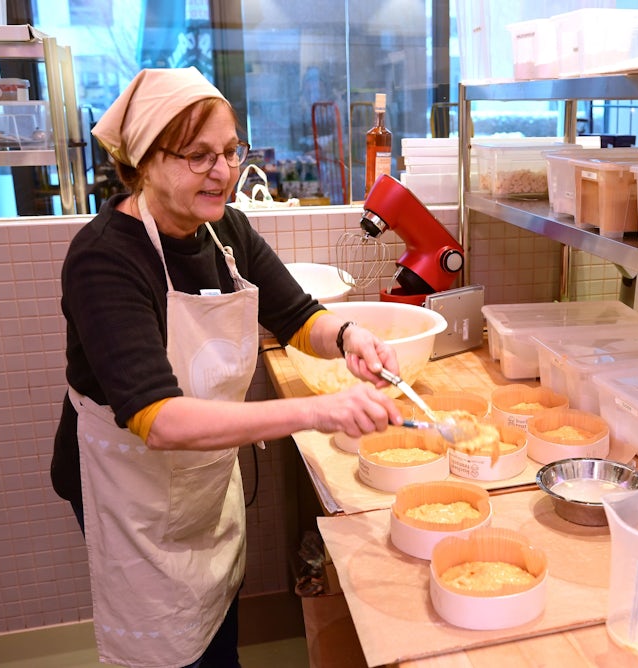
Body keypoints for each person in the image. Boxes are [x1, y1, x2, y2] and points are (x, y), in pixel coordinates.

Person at [50, 67, 403, 668]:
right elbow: (156, 418)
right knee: (165, 641)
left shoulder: (225, 229)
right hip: (130, 483)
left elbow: (296, 316)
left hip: (201, 476)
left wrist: (348, 335)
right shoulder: (104, 258)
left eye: (230, 151)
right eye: (198, 156)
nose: (223, 172)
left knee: (213, 611)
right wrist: (319, 410)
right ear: (142, 160)